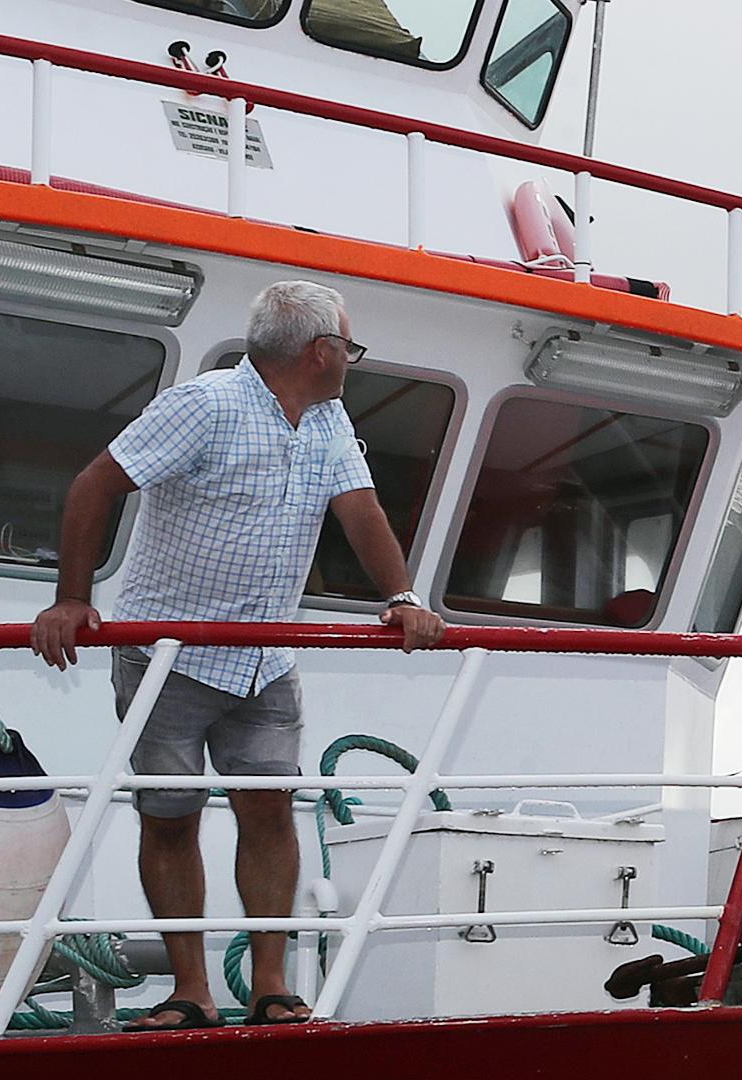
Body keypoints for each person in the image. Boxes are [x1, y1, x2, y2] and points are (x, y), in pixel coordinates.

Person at [32, 280, 446, 1029]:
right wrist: (71, 598)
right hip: (167, 656)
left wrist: (403, 596)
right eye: (349, 348)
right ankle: (191, 990)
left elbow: (360, 509)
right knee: (170, 818)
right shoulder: (205, 404)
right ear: (320, 352)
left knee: (270, 809)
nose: (350, 361)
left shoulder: (327, 417)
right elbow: (95, 485)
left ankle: (270, 986)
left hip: (265, 659)